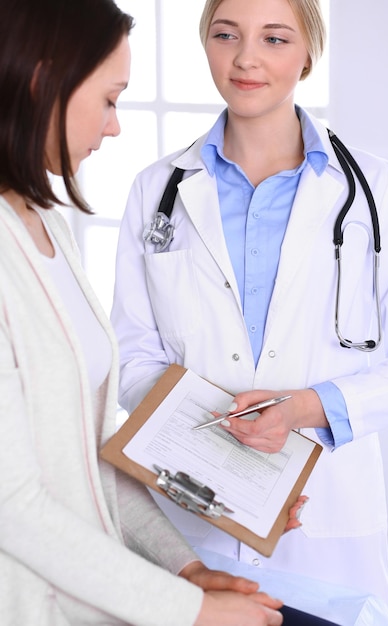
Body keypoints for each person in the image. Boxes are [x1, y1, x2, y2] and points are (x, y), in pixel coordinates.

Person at [111, 0, 388, 623]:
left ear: (309, 53)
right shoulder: (156, 189)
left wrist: (304, 409)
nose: (246, 58)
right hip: (192, 523)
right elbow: (133, 356)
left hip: (324, 521)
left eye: (274, 38)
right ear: (206, 45)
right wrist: (215, 451)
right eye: (226, 35)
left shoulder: (377, 191)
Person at [0, 0, 291, 624]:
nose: (115, 127)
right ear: (40, 81)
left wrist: (186, 567)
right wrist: (190, 610)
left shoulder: (47, 224)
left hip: (95, 599)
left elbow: (94, 442)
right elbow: (11, 504)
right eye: (109, 99)